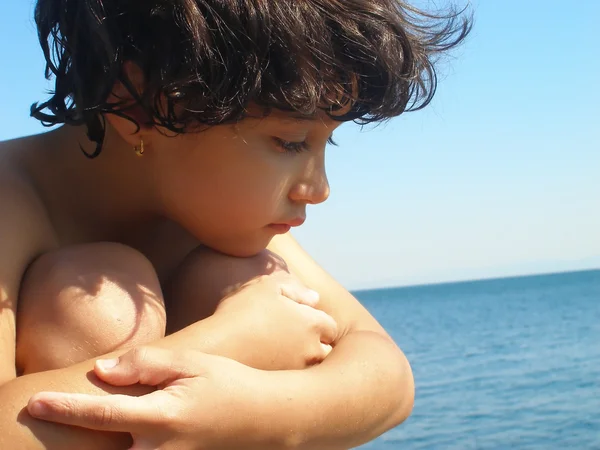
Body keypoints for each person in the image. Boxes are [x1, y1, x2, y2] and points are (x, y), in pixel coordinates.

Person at [0, 0, 471, 448]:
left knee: (242, 282)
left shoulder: (205, 216)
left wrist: (253, 409)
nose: (319, 187)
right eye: (289, 142)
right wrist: (232, 343)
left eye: (329, 142)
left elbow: (388, 376)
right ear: (140, 108)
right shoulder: (12, 198)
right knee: (101, 302)